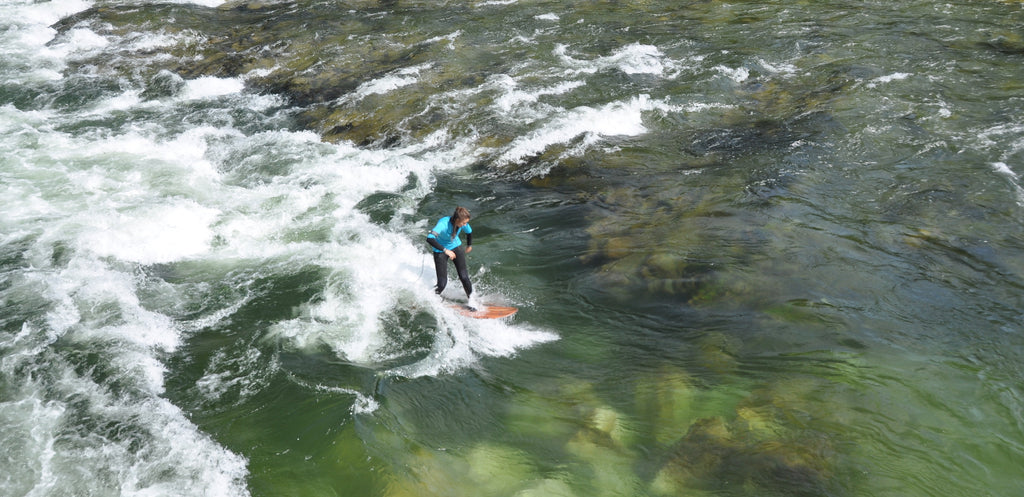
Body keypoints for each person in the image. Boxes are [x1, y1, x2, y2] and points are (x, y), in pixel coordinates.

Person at [426, 206, 474, 302]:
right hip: (440, 250)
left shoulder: (463, 223)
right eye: (464, 223)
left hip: (456, 246)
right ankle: (427, 299)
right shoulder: (443, 224)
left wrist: (469, 245)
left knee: (464, 277)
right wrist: (445, 250)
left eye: (466, 223)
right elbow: (430, 238)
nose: (465, 225)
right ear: (457, 220)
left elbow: (469, 232)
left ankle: (472, 302)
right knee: (442, 284)